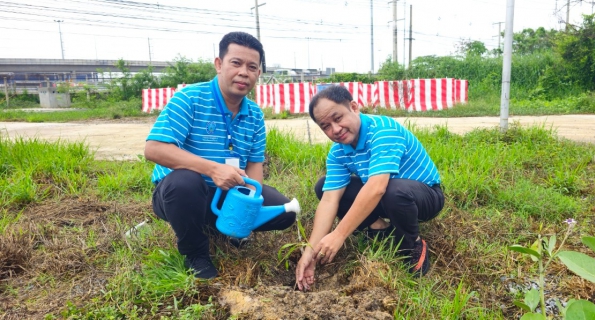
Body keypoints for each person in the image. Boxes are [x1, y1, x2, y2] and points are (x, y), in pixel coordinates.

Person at [144, 32, 295, 279]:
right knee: (183, 183)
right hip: (181, 195)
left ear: (258, 74)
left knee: (284, 211)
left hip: (226, 194)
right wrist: (212, 169)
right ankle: (196, 252)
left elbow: (254, 167)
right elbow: (154, 149)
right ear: (219, 64)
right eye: (236, 63)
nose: (244, 72)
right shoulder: (190, 98)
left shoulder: (255, 115)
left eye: (252, 67)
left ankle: (227, 230)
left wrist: (247, 205)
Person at [295, 86, 445, 291]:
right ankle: (380, 229)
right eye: (326, 126)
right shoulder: (338, 152)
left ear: (354, 107)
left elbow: (376, 188)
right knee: (324, 186)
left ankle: (412, 243)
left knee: (393, 190)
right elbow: (330, 199)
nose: (335, 129)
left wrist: (339, 235)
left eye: (338, 118)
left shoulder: (384, 131)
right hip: (386, 195)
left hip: (425, 197)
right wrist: (309, 252)